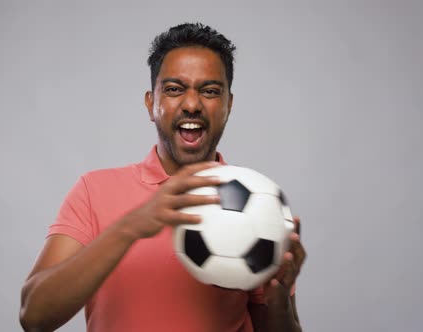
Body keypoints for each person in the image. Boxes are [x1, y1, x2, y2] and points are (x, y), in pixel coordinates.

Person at [19, 22, 306, 332]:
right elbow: (34, 317)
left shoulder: (259, 205)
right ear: (150, 103)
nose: (192, 104)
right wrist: (131, 226)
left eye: (210, 91)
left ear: (228, 105)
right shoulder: (93, 190)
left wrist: (279, 300)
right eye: (174, 89)